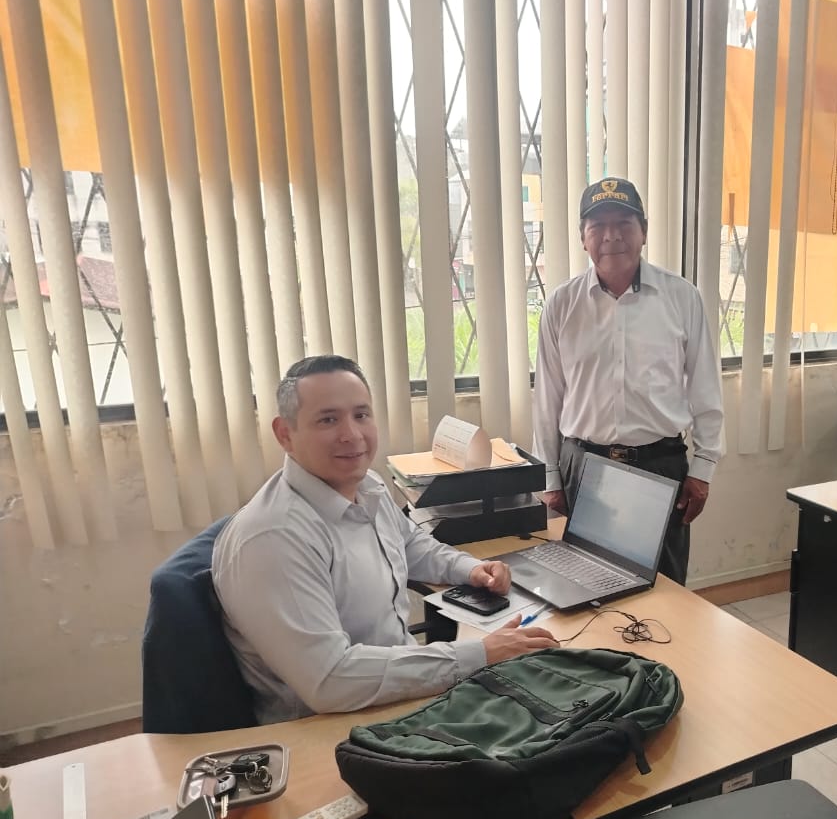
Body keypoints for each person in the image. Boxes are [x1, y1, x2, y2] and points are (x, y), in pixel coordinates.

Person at [213, 355, 558, 724]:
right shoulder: (275, 539)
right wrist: (479, 654)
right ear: (285, 434)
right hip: (333, 728)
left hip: (395, 698)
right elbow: (331, 680)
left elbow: (410, 545)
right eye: (328, 420)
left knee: (555, 695)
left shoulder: (365, 485)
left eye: (361, 415)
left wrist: (471, 569)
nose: (352, 434)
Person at [532, 177, 724, 586]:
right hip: (582, 465)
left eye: (623, 223)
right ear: (583, 237)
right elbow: (548, 398)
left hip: (660, 466)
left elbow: (705, 388)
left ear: (644, 232)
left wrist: (703, 469)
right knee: (582, 587)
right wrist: (549, 478)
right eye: (598, 226)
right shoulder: (562, 304)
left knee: (665, 592)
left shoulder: (682, 297)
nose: (611, 236)